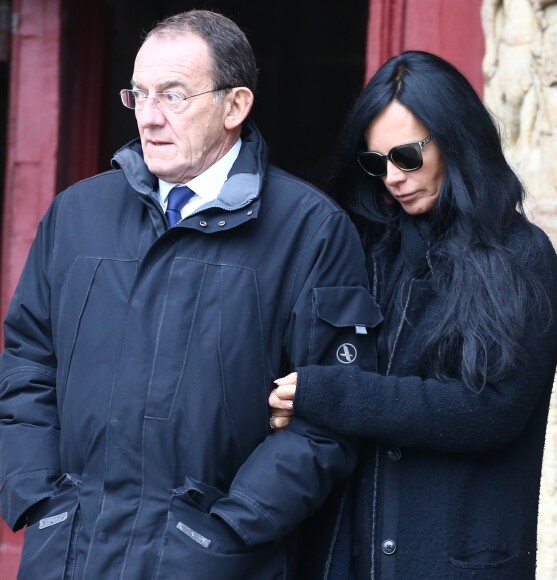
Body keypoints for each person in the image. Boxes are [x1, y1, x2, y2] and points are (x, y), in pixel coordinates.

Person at [0, 10, 382, 580]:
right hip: (69, 556)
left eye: (173, 95)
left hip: (215, 563)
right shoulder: (77, 215)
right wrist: (40, 499)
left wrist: (225, 530)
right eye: (139, 94)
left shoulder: (310, 231)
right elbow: (27, 365)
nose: (149, 118)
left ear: (235, 105)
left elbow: (329, 413)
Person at [270, 50, 557, 579]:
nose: (392, 177)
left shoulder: (521, 254)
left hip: (458, 563)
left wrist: (332, 395)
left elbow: (490, 411)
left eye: (406, 156)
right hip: (356, 556)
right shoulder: (370, 251)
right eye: (375, 162)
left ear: (455, 138)